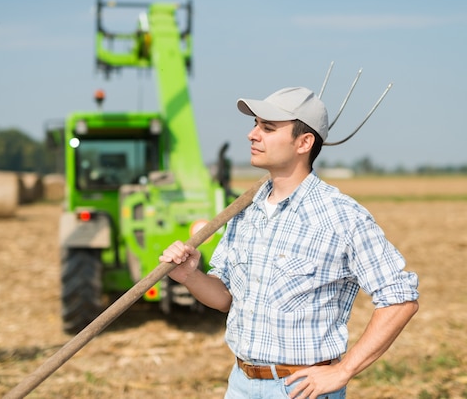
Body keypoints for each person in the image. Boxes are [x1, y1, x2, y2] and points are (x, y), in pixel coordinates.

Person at [159, 86, 419, 398]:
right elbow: (227, 299)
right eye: (255, 125)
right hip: (241, 383)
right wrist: (190, 276)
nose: (252, 135)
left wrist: (343, 370)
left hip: (301, 390)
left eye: (267, 128)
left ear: (304, 142)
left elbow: (400, 299)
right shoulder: (245, 211)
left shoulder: (341, 217)